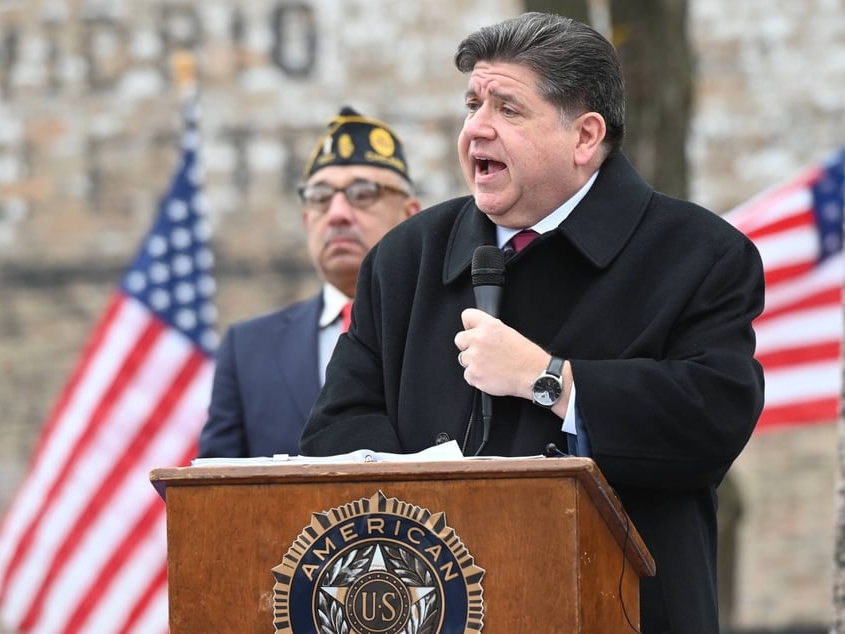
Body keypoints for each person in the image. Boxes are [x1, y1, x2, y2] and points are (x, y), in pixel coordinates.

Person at [300, 13, 764, 634]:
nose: (476, 129)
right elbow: (337, 426)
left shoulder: (699, 255)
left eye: (508, 109)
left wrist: (550, 380)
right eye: (472, 104)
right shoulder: (405, 258)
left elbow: (712, 418)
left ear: (584, 136)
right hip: (436, 612)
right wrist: (438, 500)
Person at [197, 107, 420, 459]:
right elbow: (212, 494)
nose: (337, 214)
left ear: (410, 216)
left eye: (363, 193)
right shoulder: (248, 349)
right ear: (306, 219)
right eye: (320, 198)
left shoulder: (455, 330)